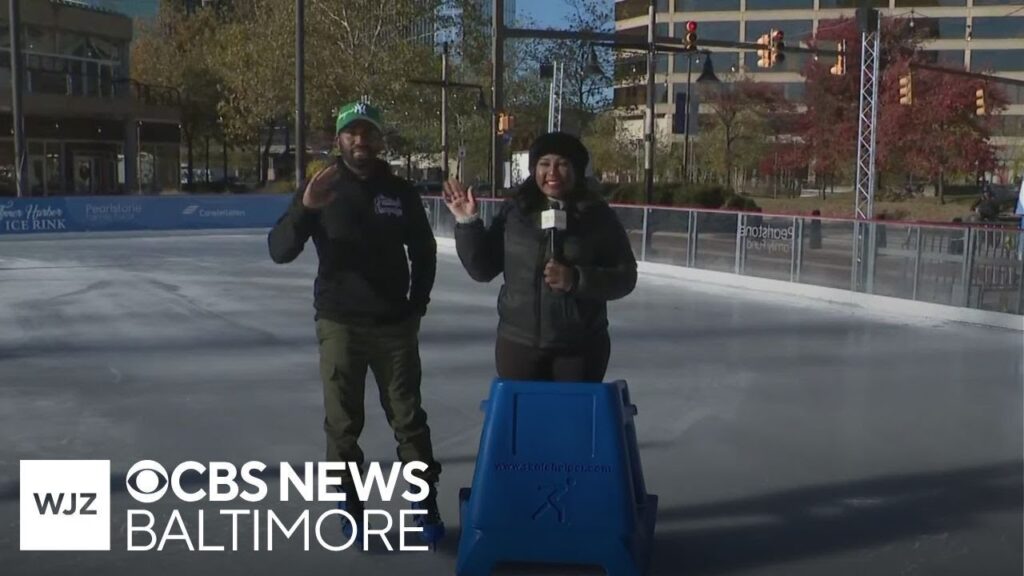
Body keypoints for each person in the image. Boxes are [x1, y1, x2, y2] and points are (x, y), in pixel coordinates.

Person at [267, 101, 443, 542]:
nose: (360, 140)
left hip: (394, 325)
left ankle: (423, 500)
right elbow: (279, 250)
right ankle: (349, 500)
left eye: (368, 133)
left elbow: (424, 250)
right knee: (343, 422)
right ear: (338, 139)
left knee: (408, 418)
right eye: (352, 132)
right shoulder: (321, 187)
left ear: (380, 140)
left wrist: (417, 304)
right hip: (340, 322)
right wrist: (306, 209)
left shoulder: (399, 191)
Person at [443, 132, 637, 382]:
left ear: (577, 170)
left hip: (579, 348)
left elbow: (625, 276)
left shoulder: (598, 215)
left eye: (562, 164)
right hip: (518, 343)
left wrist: (576, 279)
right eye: (544, 164)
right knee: (521, 408)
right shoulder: (515, 211)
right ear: (534, 169)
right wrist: (467, 221)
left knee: (571, 410)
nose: (552, 172)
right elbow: (482, 269)